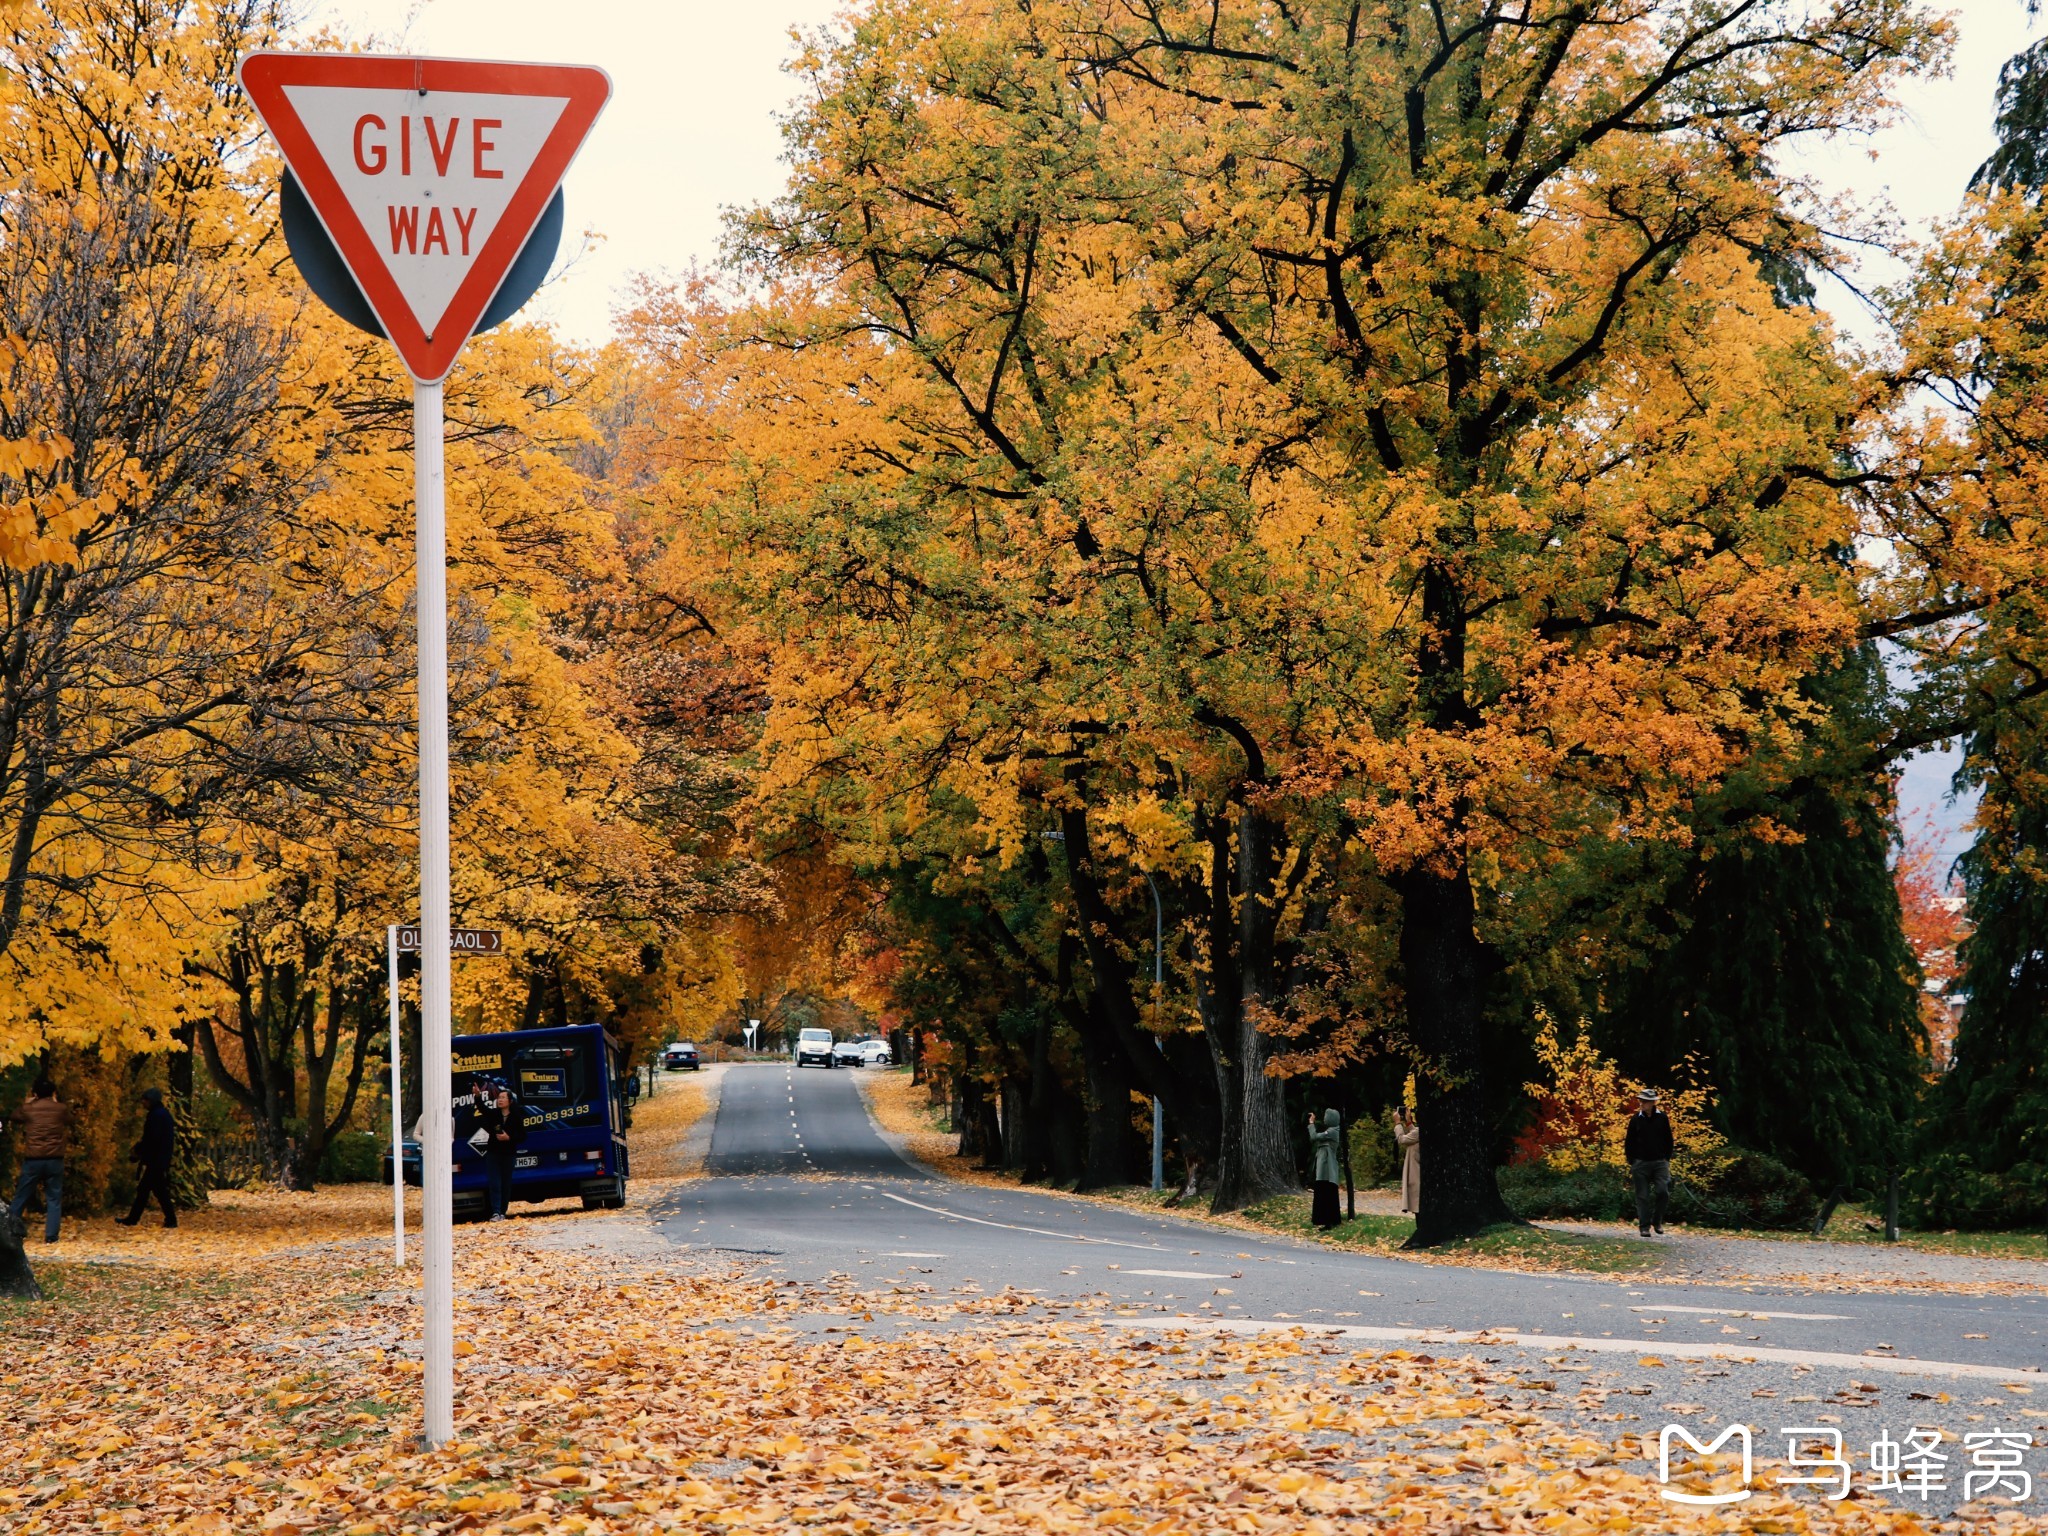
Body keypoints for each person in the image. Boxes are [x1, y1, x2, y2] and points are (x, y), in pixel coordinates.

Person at [8, 1078, 68, 1244]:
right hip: (55, 1159)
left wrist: (26, 1103)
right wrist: (55, 1102)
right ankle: (51, 1237)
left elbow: (14, 1116)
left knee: (21, 1195)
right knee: (54, 1198)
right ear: (53, 1093)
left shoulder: (28, 1109)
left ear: (34, 1093)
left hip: (33, 1159)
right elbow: (70, 1120)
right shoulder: (61, 1109)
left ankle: (8, 1230)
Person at [118, 1087, 177, 1228]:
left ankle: (133, 1219)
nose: (143, 1103)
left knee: (145, 1190)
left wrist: (139, 1150)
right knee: (158, 1190)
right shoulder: (163, 1114)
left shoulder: (155, 1116)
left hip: (156, 1159)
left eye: (145, 1100)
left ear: (151, 1101)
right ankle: (170, 1219)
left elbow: (151, 1138)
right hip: (161, 1158)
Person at [1624, 1086, 1674, 1237]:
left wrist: (1666, 1158)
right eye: (1641, 1101)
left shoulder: (1662, 1118)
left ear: (1652, 1103)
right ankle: (1644, 1227)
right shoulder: (1635, 1119)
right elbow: (1629, 1141)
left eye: (1645, 1101)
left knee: (1663, 1192)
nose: (1642, 1103)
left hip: (1659, 1162)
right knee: (1642, 1196)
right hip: (1641, 1163)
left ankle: (1657, 1221)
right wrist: (1632, 1160)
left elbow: (1668, 1139)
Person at [476, 1083, 524, 1221]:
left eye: (503, 1097)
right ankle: (496, 1212)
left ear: (510, 1101)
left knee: (506, 1183)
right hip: (493, 1153)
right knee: (494, 1183)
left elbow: (522, 1135)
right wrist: (478, 1096)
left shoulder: (516, 1117)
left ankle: (503, 1211)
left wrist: (509, 1138)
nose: (500, 1099)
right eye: (499, 1097)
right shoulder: (494, 1114)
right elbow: (483, 1109)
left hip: (509, 1154)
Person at [1307, 1108, 1343, 1229]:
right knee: (1324, 1193)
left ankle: (1329, 1221)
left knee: (1326, 1194)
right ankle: (1326, 1220)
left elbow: (1314, 1136)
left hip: (1327, 1170)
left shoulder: (1332, 1132)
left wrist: (1311, 1123)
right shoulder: (1332, 1130)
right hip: (1324, 1169)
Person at [1394, 1108, 1421, 1217]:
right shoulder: (1419, 1133)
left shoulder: (1418, 1133)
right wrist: (1409, 1122)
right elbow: (1414, 1134)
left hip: (1416, 1173)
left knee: (1417, 1202)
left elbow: (1401, 1139)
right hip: (1417, 1172)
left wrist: (1398, 1123)